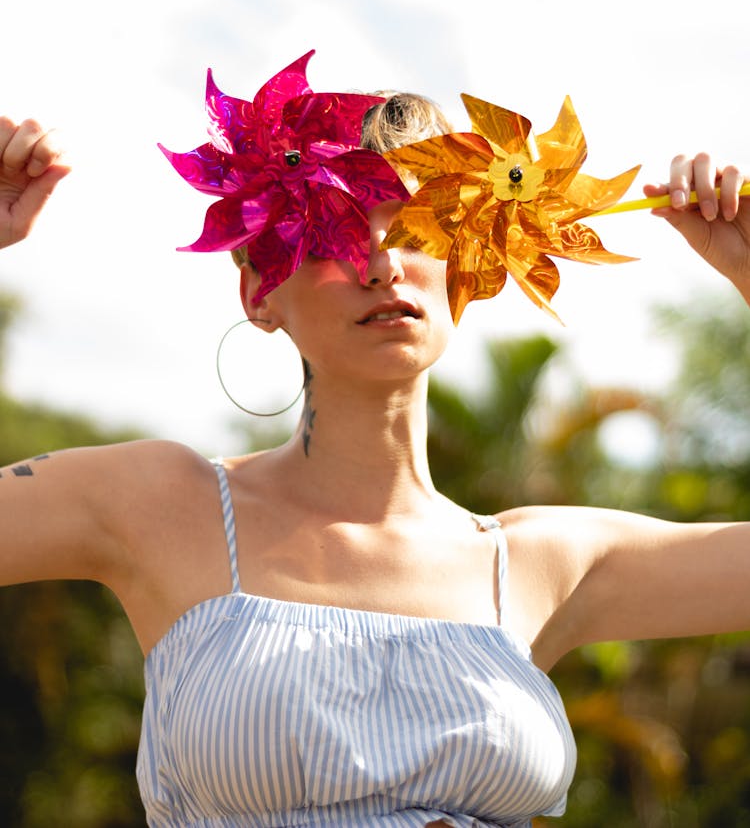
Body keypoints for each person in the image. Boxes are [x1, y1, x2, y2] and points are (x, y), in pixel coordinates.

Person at [0, 87, 749, 828]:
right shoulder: (158, 503)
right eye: (334, 235)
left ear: (470, 269)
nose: (384, 263)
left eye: (421, 231)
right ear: (261, 289)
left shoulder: (543, 563)